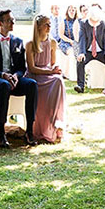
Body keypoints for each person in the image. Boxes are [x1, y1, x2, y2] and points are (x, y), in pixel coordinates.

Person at [0, 9, 39, 147]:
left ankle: (29, 130)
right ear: (0, 23)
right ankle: (1, 133)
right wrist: (2, 75)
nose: (13, 22)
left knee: (32, 84)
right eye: (9, 20)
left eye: (13, 20)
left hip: (13, 79)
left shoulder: (17, 41)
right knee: (3, 85)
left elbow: (21, 68)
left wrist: (16, 76)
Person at [25, 15, 66, 144]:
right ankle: (39, 127)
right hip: (36, 75)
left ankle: (55, 123)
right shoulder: (30, 44)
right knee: (52, 81)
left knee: (58, 81)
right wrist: (50, 71)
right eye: (45, 24)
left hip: (47, 74)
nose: (49, 27)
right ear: (38, 27)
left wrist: (55, 68)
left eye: (49, 24)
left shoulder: (52, 42)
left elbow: (52, 63)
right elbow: (32, 68)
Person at [75, 4, 105, 93]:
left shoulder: (104, 24)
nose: (94, 23)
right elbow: (82, 39)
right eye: (92, 21)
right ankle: (80, 86)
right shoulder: (83, 23)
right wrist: (81, 52)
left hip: (101, 51)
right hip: (88, 51)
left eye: (96, 21)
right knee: (80, 61)